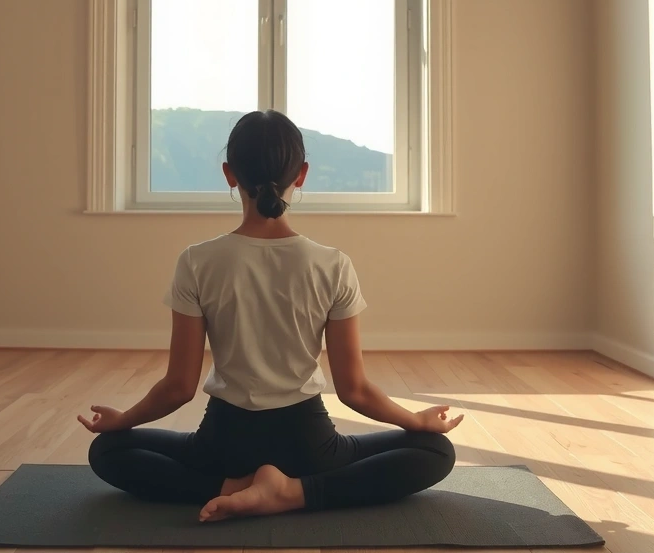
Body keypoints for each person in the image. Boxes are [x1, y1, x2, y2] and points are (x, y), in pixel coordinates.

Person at [78, 110, 463, 522]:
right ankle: (295, 492)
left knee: (108, 450)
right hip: (308, 446)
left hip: (223, 444)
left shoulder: (197, 261)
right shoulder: (332, 265)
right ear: (302, 175)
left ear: (229, 174)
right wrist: (415, 420)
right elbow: (354, 390)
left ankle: (231, 487)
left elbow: (179, 387)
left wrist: (125, 419)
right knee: (435, 450)